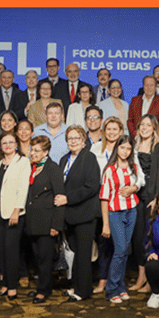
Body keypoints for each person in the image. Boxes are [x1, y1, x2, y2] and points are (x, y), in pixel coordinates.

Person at [55, 125, 101, 302]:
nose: (73, 141)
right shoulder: (63, 160)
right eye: (70, 138)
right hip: (69, 215)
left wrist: (67, 198)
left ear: (83, 141)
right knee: (75, 252)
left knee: (83, 254)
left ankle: (83, 291)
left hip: (85, 213)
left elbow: (91, 186)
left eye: (76, 138)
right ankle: (75, 285)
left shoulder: (88, 158)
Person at [24, 136, 65, 304]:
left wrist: (56, 225)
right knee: (37, 257)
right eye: (31, 150)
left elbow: (60, 197)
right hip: (33, 221)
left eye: (36, 151)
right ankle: (44, 287)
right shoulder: (31, 167)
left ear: (46, 152)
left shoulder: (52, 168)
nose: (32, 153)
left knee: (45, 258)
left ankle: (43, 291)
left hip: (47, 222)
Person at [101, 137, 141, 304]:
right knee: (120, 250)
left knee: (125, 251)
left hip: (131, 211)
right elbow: (104, 198)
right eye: (122, 147)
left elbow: (138, 184)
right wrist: (105, 224)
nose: (125, 151)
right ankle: (111, 289)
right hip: (115, 213)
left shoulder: (134, 168)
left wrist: (135, 187)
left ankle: (120, 287)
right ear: (117, 148)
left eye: (128, 149)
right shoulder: (109, 170)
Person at [131, 115, 159, 293]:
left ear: (154, 128)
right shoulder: (133, 146)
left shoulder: (158, 148)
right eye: (142, 124)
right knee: (137, 238)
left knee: (148, 238)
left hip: (150, 198)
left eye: (148, 125)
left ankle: (149, 281)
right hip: (134, 197)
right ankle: (141, 275)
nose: (145, 128)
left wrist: (157, 199)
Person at [0, 131, 31, 300]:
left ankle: (12, 286)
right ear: (0, 147)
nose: (7, 145)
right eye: (4, 143)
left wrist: (17, 210)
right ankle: (4, 283)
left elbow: (23, 188)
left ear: (16, 144)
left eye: (10, 142)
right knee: (0, 249)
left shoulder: (23, 162)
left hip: (14, 212)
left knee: (12, 250)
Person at [92, 117, 124, 295]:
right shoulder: (95, 149)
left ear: (121, 131)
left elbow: (135, 174)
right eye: (108, 129)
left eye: (115, 129)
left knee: (119, 245)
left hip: (120, 202)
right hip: (101, 201)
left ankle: (117, 281)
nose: (111, 132)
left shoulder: (126, 149)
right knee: (104, 243)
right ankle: (103, 280)